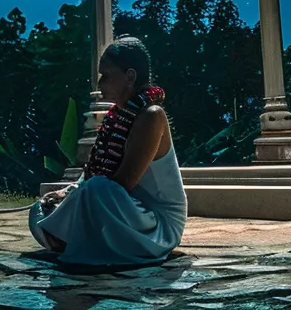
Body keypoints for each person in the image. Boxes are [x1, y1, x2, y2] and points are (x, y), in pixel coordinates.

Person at [27, 37, 186, 266]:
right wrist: (64, 195)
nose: (100, 83)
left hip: (156, 224)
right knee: (40, 210)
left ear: (129, 77)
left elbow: (122, 183)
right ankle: (84, 239)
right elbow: (94, 174)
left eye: (106, 75)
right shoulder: (116, 116)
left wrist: (76, 196)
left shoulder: (151, 116)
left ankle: (80, 240)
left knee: (97, 189)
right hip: (123, 208)